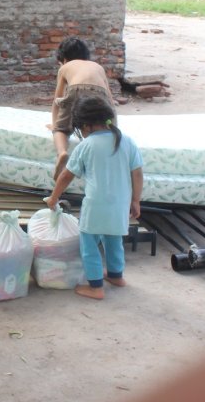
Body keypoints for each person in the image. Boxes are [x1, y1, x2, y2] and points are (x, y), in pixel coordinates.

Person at [44, 95, 143, 300]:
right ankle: (116, 276)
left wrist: (53, 198)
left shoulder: (86, 145)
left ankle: (96, 287)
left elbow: (66, 175)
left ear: (85, 125)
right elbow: (137, 174)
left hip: (96, 205)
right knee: (114, 240)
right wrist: (135, 200)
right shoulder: (128, 141)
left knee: (89, 245)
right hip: (120, 205)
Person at [48, 37, 115, 180]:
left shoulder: (65, 67)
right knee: (98, 120)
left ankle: (62, 153)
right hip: (99, 91)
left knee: (62, 129)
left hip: (75, 88)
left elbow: (57, 101)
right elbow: (110, 100)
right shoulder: (98, 67)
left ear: (64, 59)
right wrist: (114, 127)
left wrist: (56, 125)